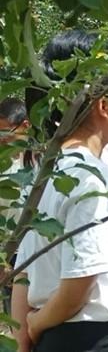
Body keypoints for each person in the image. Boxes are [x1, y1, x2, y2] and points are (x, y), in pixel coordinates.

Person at [11, 31, 108, 352]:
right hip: (99, 336)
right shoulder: (90, 179)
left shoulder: (46, 174)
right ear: (104, 106)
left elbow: (25, 265)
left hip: (60, 334)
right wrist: (36, 323)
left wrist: (23, 332)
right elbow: (81, 280)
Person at [1, 97, 29, 315]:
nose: (2, 140)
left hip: (38, 254)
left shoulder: (42, 161)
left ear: (25, 126)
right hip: (10, 257)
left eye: (6, 132)